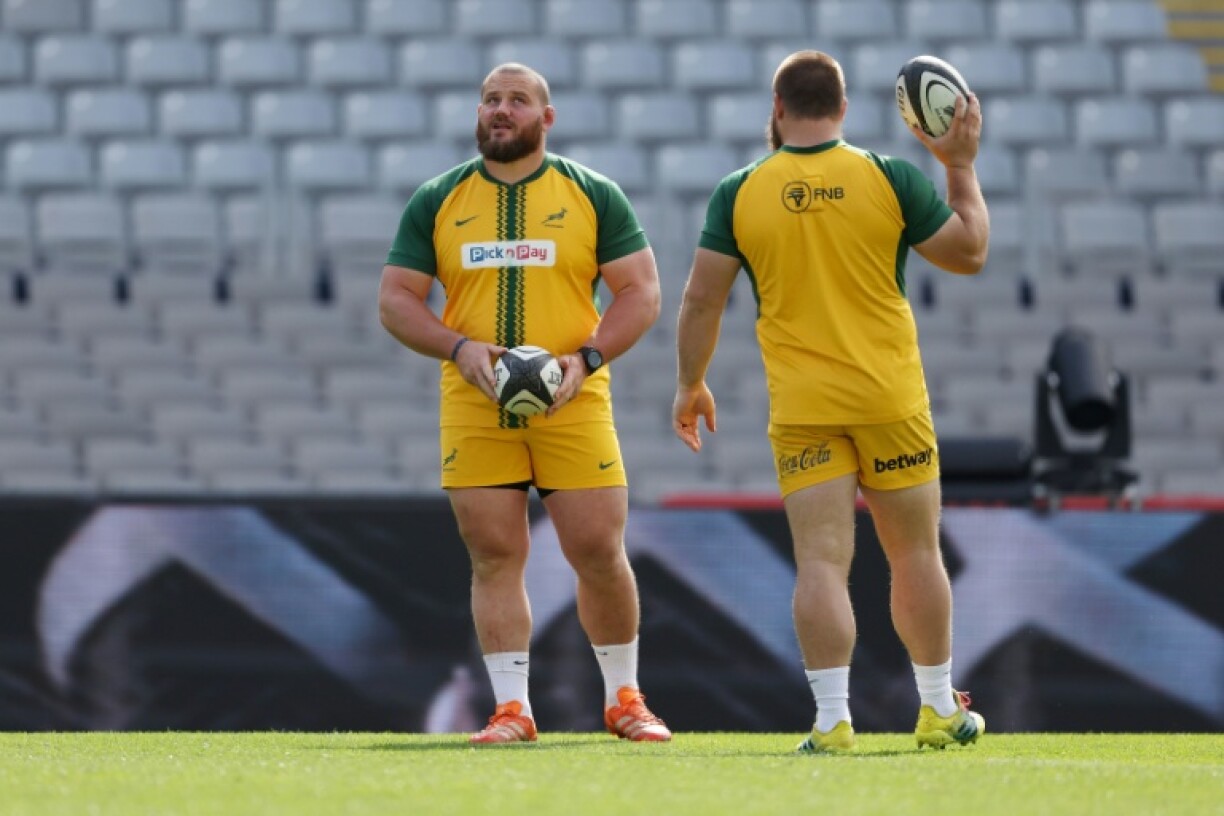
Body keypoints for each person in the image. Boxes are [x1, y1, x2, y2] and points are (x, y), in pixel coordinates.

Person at [672, 50, 990, 753]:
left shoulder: (740, 190)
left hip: (805, 406)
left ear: (778, 111)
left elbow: (701, 299)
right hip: (889, 396)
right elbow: (969, 253)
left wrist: (691, 383)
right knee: (915, 554)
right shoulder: (889, 175)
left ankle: (831, 720)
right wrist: (960, 164)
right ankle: (938, 706)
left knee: (820, 562)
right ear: (843, 109)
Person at [378, 63, 670, 745]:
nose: (500, 110)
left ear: (547, 116)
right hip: (476, 402)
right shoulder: (437, 198)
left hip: (575, 399)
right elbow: (395, 299)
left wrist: (587, 359)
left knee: (598, 549)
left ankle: (625, 699)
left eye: (516, 100)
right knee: (493, 552)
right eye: (489, 100)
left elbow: (642, 293)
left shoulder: (593, 194)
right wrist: (457, 348)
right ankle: (513, 709)